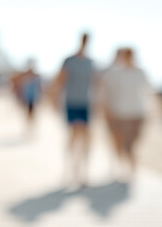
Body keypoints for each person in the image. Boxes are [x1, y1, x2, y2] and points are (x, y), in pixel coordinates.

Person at [49, 33, 96, 187]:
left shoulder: (91, 62)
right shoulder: (70, 61)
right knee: (73, 137)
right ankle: (70, 170)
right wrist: (54, 101)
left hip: (87, 103)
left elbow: (97, 84)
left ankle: (83, 172)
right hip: (72, 102)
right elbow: (59, 81)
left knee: (86, 139)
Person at [100, 48, 152, 181]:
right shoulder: (115, 73)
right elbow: (106, 92)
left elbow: (149, 90)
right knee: (122, 143)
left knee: (132, 143)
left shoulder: (140, 72)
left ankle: (130, 167)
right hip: (120, 114)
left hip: (137, 113)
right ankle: (127, 168)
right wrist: (107, 110)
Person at [11, 58, 43, 135]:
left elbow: (39, 87)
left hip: (33, 97)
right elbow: (17, 85)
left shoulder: (36, 75)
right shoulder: (23, 75)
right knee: (27, 113)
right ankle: (29, 128)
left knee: (32, 113)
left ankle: (31, 128)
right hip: (26, 97)